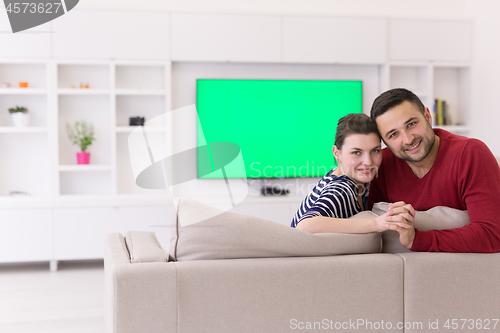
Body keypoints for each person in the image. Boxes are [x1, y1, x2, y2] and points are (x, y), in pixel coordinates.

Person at [368, 88, 500, 253]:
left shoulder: (471, 153)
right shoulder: (381, 165)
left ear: (428, 117)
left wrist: (417, 239)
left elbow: (492, 235)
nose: (408, 139)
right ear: (384, 142)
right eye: (393, 134)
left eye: (411, 124)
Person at [291, 113, 413, 233]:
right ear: (337, 153)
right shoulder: (341, 188)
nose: (368, 162)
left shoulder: (357, 180)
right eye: (356, 152)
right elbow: (305, 226)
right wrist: (377, 223)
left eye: (375, 150)